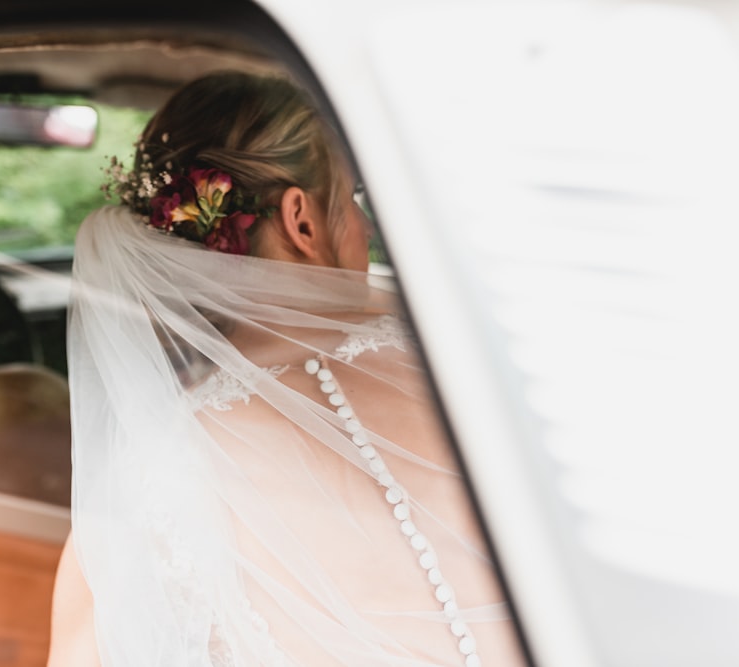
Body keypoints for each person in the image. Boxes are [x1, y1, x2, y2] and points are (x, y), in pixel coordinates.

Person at [48, 71, 526, 667]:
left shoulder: (145, 480)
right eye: (352, 201)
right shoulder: (468, 365)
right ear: (301, 220)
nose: (367, 229)